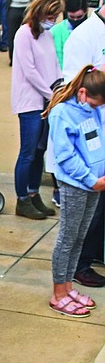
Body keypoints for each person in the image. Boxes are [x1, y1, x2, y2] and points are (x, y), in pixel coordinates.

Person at [46, 65, 105, 317]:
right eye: (95, 102)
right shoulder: (62, 113)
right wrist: (91, 179)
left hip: (95, 183)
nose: (96, 107)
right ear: (82, 93)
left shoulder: (94, 110)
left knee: (81, 236)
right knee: (67, 238)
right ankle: (58, 292)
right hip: (76, 185)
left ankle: (68, 286)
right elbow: (65, 155)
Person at [11, 0, 62, 220]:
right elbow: (29, 70)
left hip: (47, 100)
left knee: (40, 152)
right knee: (28, 152)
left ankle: (33, 193)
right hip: (30, 102)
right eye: (50, 15)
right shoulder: (23, 34)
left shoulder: (47, 35)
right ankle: (22, 199)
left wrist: (61, 88)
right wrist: (49, 93)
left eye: (55, 16)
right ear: (39, 13)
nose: (52, 20)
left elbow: (53, 64)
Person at [5, 0, 39, 64]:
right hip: (13, 7)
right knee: (12, 34)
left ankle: (29, 58)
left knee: (30, 34)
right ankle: (13, 58)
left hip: (28, 7)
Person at [51, 0, 87, 70]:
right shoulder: (55, 31)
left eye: (79, 17)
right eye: (72, 17)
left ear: (86, 12)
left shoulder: (93, 30)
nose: (75, 20)